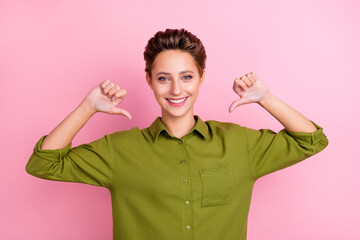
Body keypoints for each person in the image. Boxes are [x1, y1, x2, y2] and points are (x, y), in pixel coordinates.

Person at [26, 28, 329, 240]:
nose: (175, 90)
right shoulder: (118, 150)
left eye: (186, 77)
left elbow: (312, 140)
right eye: (163, 78)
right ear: (149, 80)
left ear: (201, 78)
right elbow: (43, 163)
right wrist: (88, 106)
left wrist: (266, 98)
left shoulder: (239, 143)